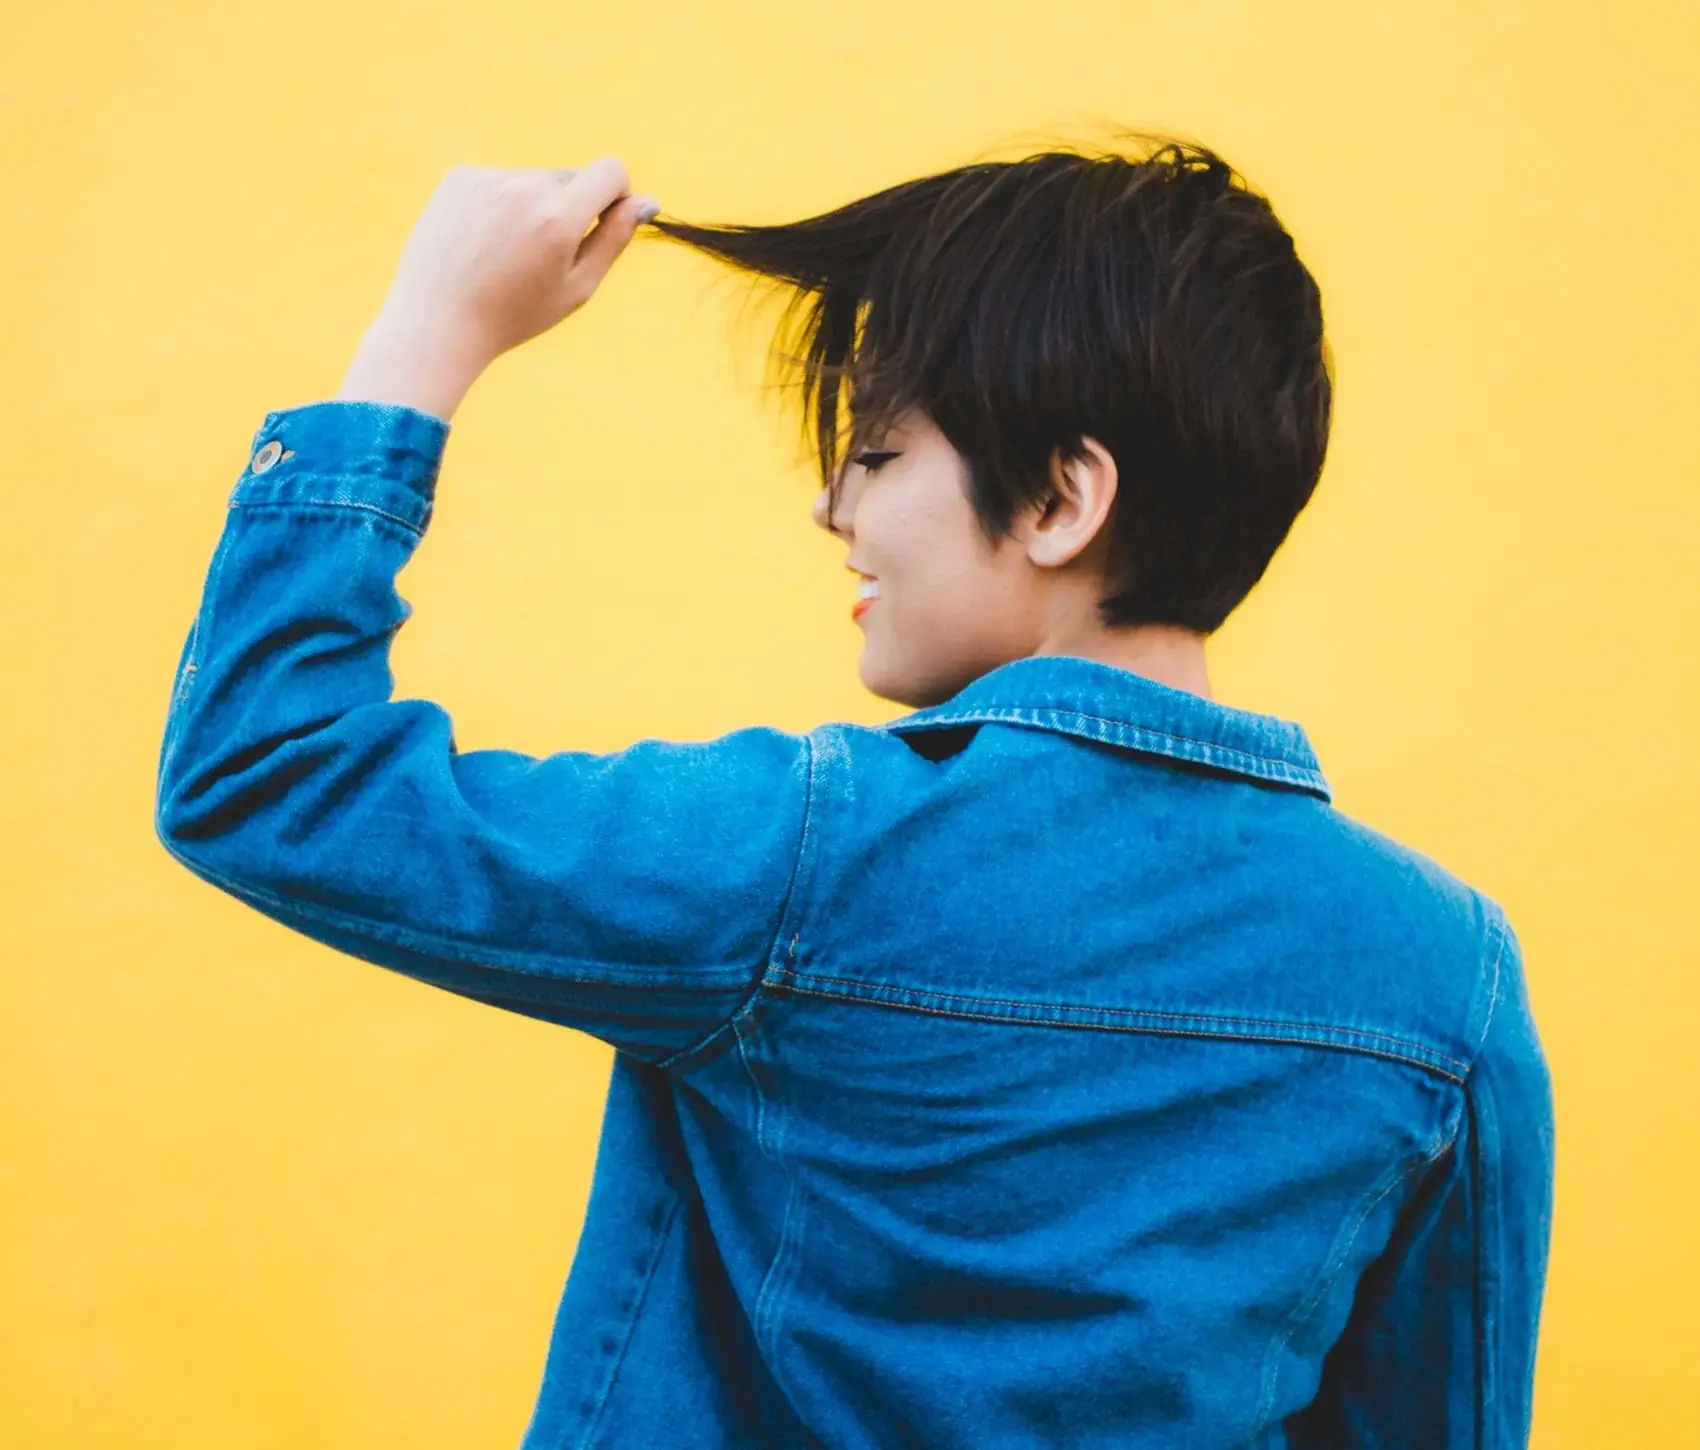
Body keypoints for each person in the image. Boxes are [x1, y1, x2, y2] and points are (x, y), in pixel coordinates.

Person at [154, 137, 1554, 1447]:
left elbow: (265, 772)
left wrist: (427, 334)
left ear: (1061, 501)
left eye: (877, 451)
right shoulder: (1449, 977)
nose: (835, 505)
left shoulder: (806, 857)